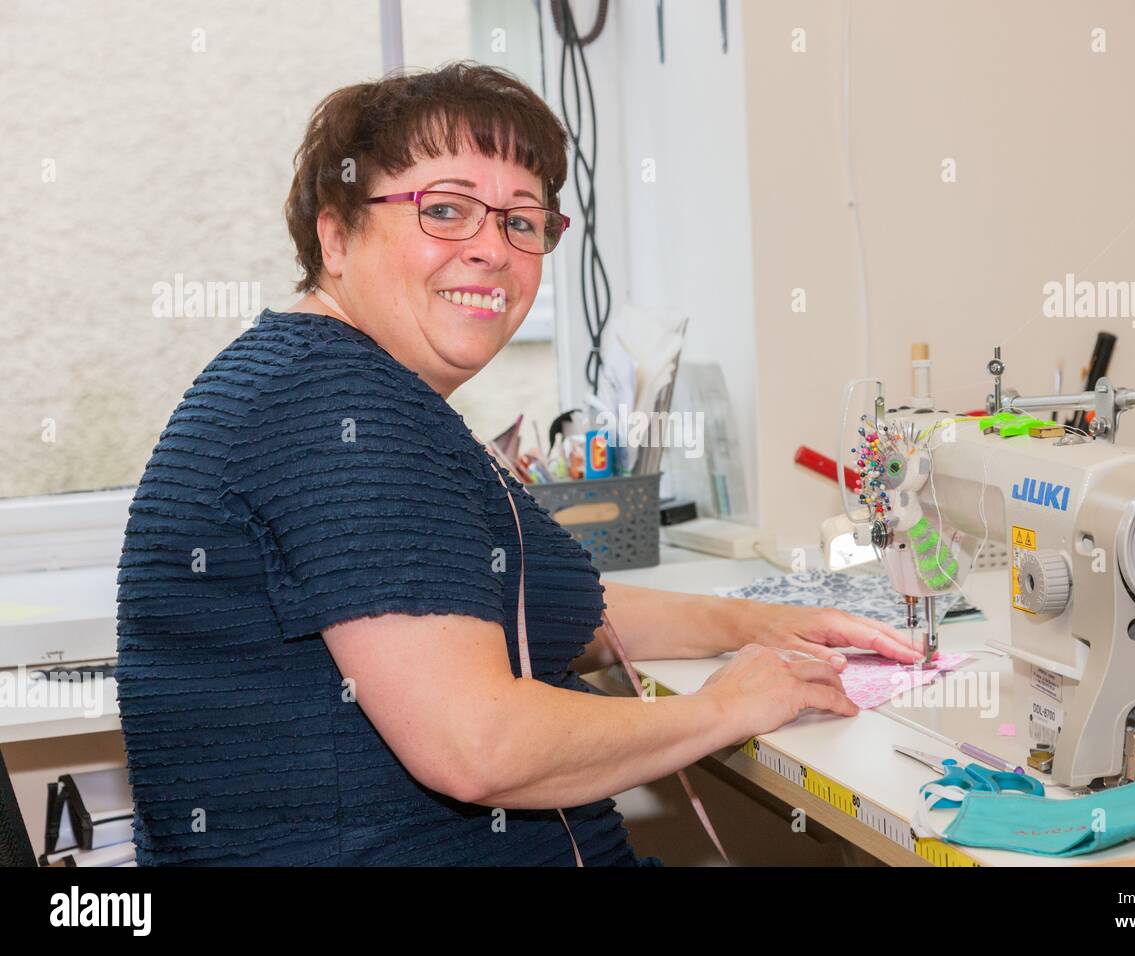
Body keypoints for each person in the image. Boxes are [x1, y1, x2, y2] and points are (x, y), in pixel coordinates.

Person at [115, 62, 921, 866]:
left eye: (522, 223)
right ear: (335, 234)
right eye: (446, 210)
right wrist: (725, 706)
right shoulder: (336, 411)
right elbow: (478, 747)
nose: (492, 251)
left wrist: (763, 625)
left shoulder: (341, 384)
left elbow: (554, 606)